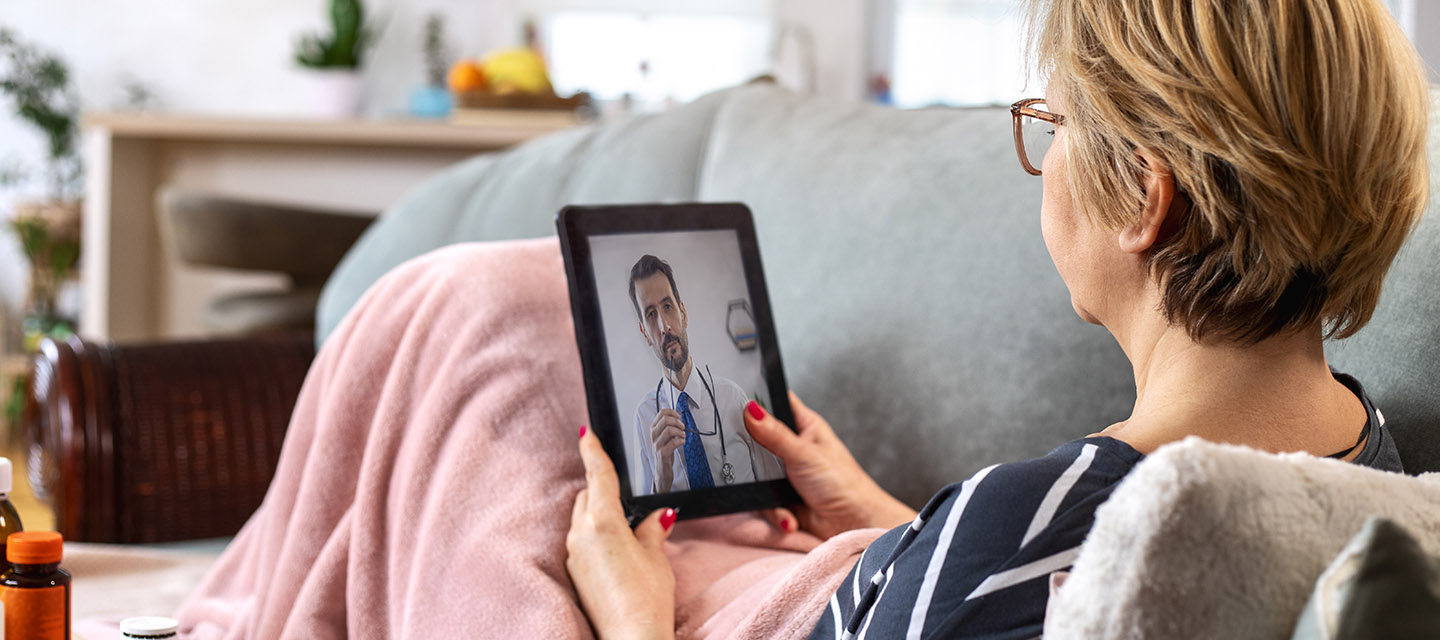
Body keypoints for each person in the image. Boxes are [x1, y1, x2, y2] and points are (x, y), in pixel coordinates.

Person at [565, 0, 1430, 638]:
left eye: (1053, 123)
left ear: (1141, 195)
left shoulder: (1025, 518)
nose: (1046, 163)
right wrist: (906, 530)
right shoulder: (1382, 478)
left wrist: (633, 623)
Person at [627, 254, 785, 494]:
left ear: (683, 313)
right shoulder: (644, 417)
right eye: (651, 314)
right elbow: (646, 524)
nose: (664, 326)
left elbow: (777, 488)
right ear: (645, 334)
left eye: (667, 307)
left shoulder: (733, 398)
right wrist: (661, 476)